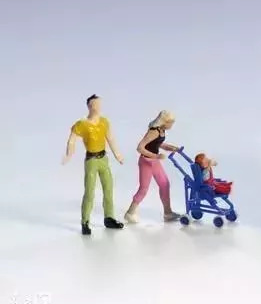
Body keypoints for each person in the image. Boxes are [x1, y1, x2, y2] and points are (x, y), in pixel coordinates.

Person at [62, 94, 125, 236]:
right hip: (91, 160)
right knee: (89, 192)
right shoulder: (82, 124)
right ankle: (85, 222)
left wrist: (118, 155)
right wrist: (68, 155)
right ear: (90, 106)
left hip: (103, 159)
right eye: (96, 104)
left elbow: (111, 139)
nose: (99, 106)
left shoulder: (104, 122)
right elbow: (72, 141)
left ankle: (109, 217)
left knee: (108, 189)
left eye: (99, 104)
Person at [124, 110, 181, 223]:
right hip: (146, 162)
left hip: (154, 162)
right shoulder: (154, 131)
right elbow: (140, 148)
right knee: (144, 189)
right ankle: (130, 213)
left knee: (164, 184)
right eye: (171, 122)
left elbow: (157, 144)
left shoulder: (162, 130)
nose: (172, 125)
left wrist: (171, 148)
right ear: (165, 121)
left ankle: (168, 213)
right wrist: (156, 156)